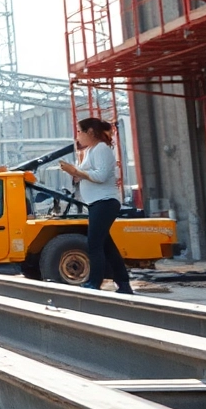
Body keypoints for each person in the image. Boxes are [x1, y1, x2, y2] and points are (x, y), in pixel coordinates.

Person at [59, 118, 134, 294]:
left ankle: (95, 281)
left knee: (94, 244)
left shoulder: (101, 148)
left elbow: (100, 176)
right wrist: (76, 174)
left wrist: (76, 172)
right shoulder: (90, 150)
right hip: (96, 203)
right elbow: (90, 174)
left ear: (90, 132)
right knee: (106, 245)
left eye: (79, 131)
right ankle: (123, 283)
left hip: (105, 202)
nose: (77, 136)